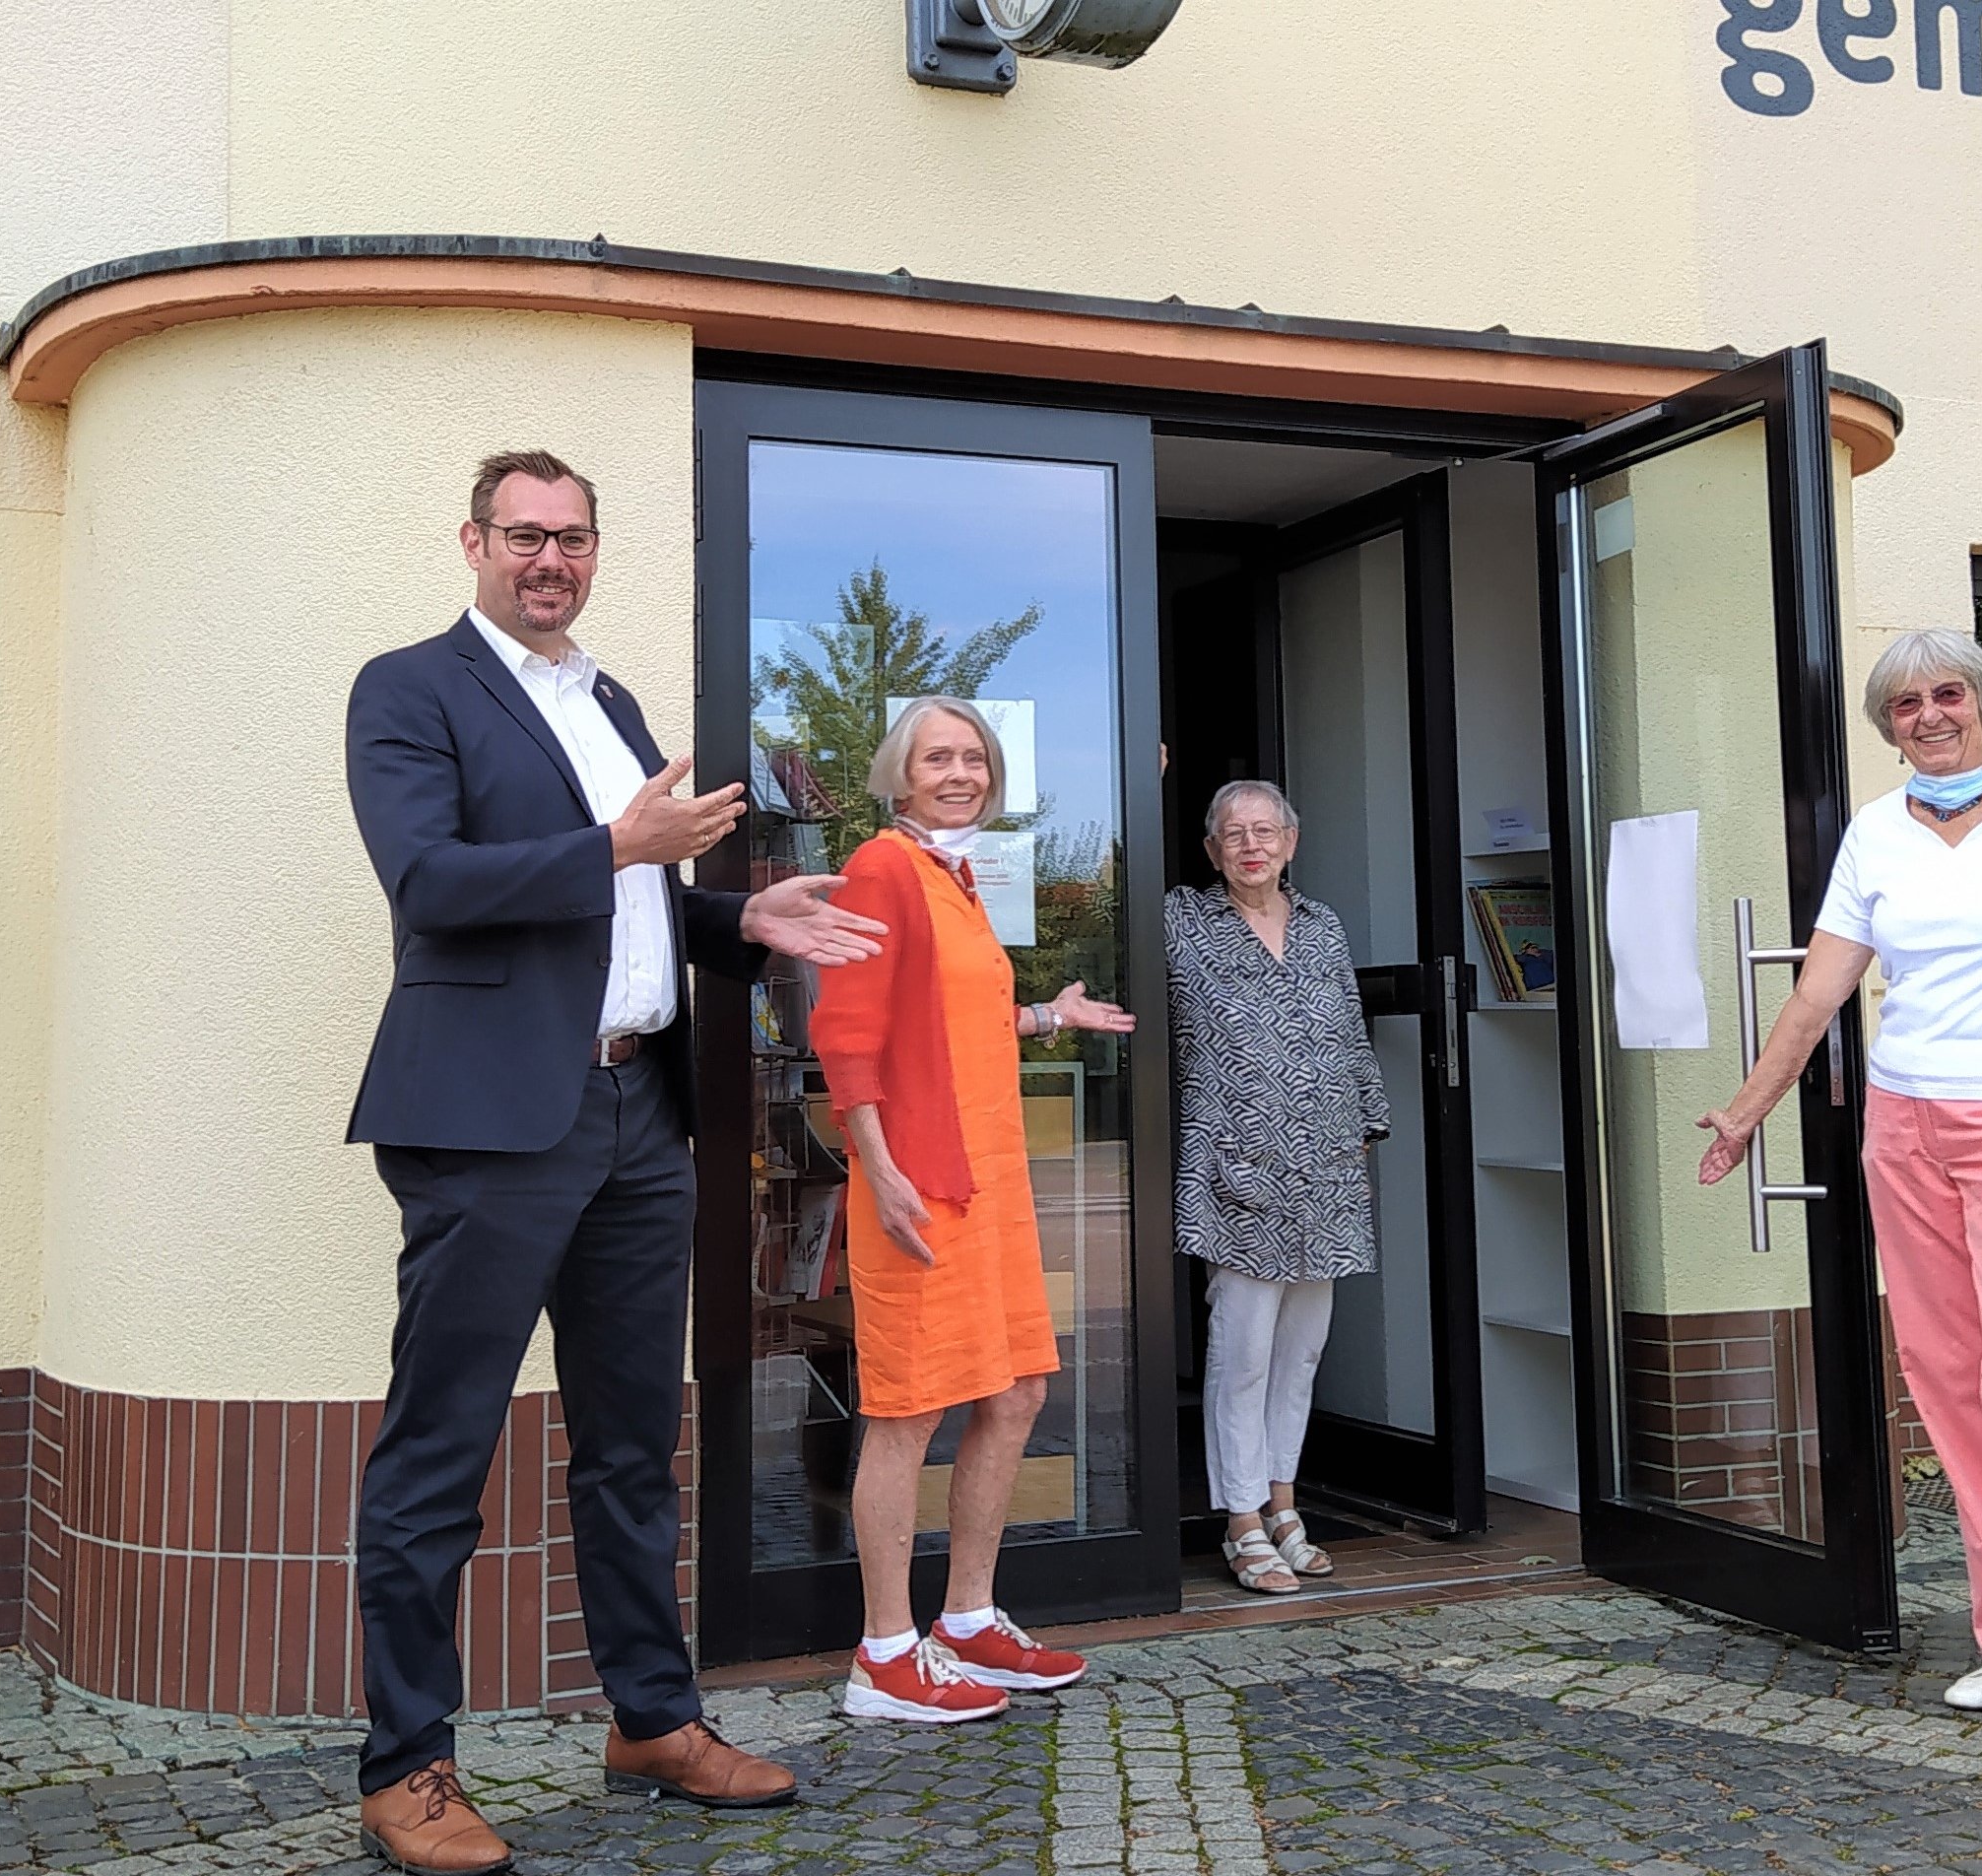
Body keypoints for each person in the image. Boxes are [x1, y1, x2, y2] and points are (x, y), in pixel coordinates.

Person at [343, 450, 884, 1873]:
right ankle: (407, 1762)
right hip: (490, 1123)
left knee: (636, 1448)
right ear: (471, 541)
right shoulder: (409, 689)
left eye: (573, 538)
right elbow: (431, 886)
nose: (551, 560)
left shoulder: (612, 701)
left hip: (641, 1118)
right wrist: (616, 842)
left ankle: (652, 1717)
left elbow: (633, 910)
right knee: (439, 1451)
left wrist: (746, 922)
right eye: (524, 535)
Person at [1692, 627, 1982, 1745]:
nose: (1928, 714)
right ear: (1887, 725)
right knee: (1951, 1381)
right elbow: (1818, 993)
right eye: (1903, 704)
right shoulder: (1873, 832)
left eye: (1946, 693)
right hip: (1906, 1127)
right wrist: (1750, 1105)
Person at [811, 698, 1135, 1722]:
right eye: (937, 756)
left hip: (987, 1182)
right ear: (899, 774)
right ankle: (884, 1654)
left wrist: (1048, 1013)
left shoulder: (953, 877)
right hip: (916, 1182)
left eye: (973, 757)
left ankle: (967, 1619)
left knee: (1015, 1395)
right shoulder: (881, 868)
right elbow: (846, 1029)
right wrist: (878, 1165)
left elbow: (949, 1017)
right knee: (908, 1410)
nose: (960, 772)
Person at [1163, 779, 1388, 1594]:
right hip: (1236, 1162)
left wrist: (1367, 1128)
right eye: (1233, 834)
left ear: (1291, 842)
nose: (1251, 845)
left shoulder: (1322, 925)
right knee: (1244, 1352)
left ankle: (1285, 1505)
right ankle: (1242, 1520)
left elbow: (1350, 1034)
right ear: (1212, 850)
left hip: (1325, 1164)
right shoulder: (1183, 919)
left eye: (1266, 832)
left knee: (1302, 1352)